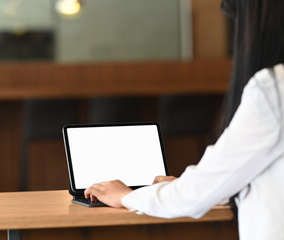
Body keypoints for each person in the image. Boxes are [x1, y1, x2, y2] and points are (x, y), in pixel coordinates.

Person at [84, 0, 284, 239]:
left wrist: (126, 196)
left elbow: (197, 193)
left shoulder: (273, 89)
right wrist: (185, 186)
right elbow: (228, 177)